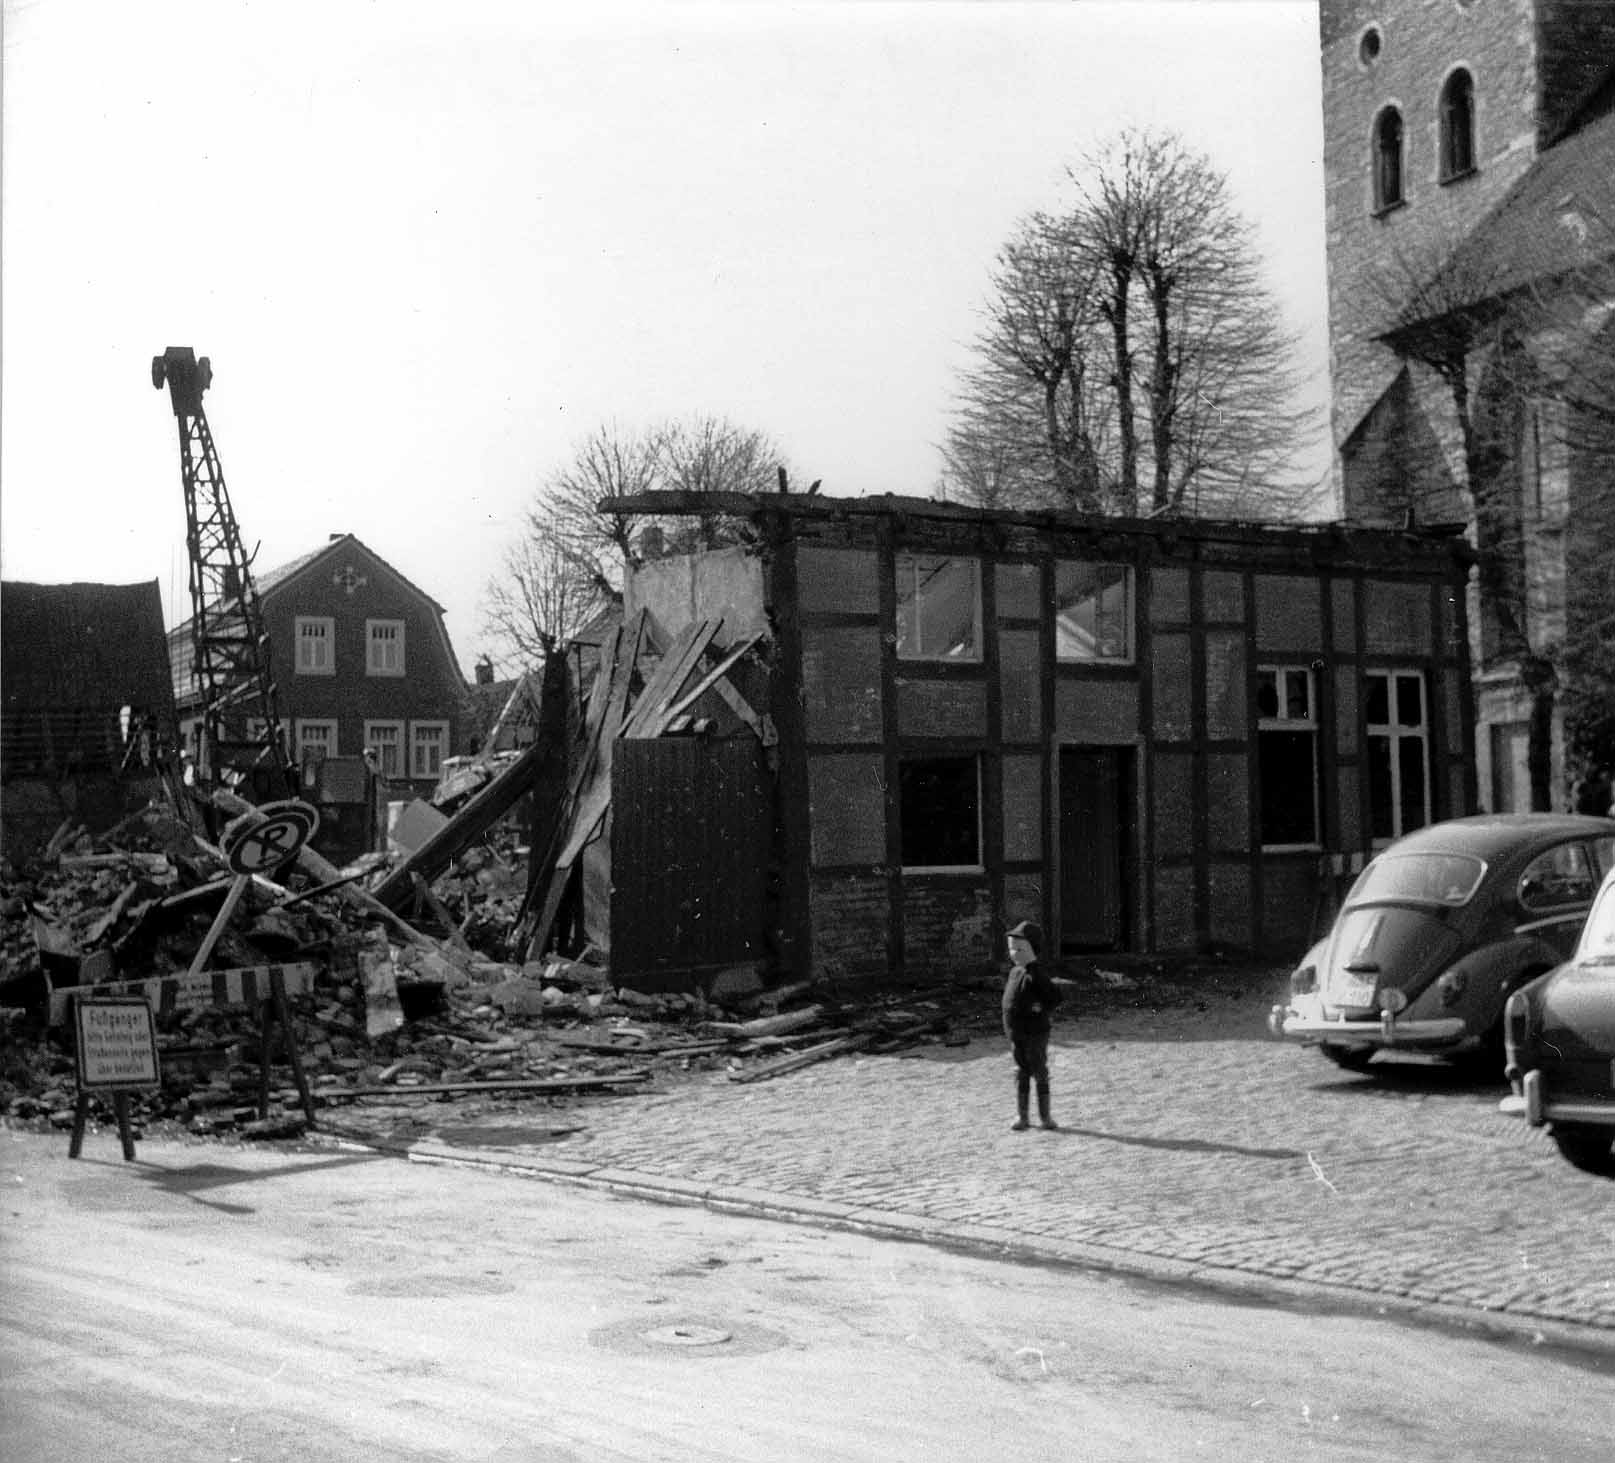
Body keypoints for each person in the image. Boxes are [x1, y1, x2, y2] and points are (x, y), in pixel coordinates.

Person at [1001, 918, 1062, 1131]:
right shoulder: (1015, 973)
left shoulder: (1036, 975)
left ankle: (1045, 1117)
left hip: (1035, 1034)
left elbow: (1054, 997)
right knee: (1021, 1071)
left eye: (1019, 949)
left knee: (1039, 1070)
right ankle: (1023, 1115)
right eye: (1012, 949)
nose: (1014, 953)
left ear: (1032, 950)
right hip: (1017, 1034)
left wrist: (1041, 1008)